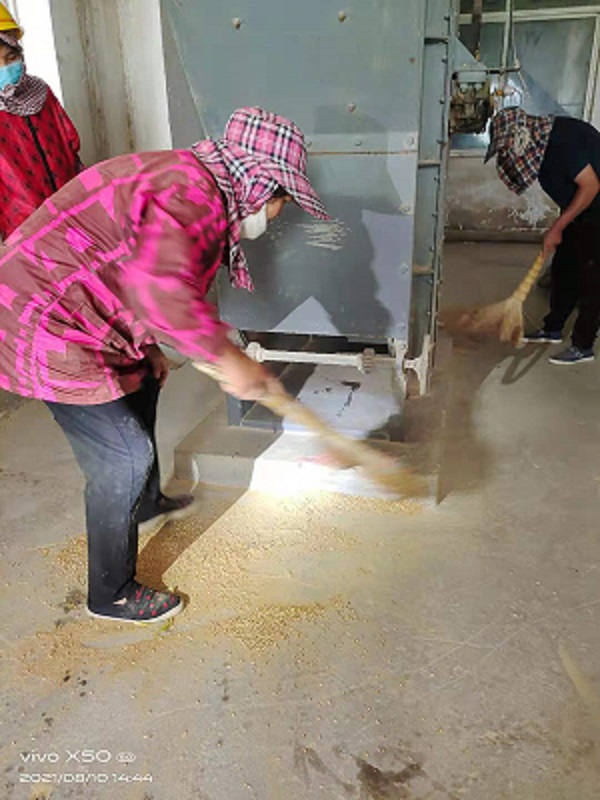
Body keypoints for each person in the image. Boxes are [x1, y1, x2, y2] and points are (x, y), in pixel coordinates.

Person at [0, 106, 330, 623]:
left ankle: (145, 502)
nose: (278, 215)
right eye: (282, 203)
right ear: (259, 187)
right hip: (41, 320)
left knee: (145, 378)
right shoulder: (192, 199)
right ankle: (110, 593)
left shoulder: (194, 180)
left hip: (82, 305)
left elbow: (144, 275)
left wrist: (151, 344)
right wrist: (229, 359)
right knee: (123, 457)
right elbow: (162, 293)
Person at [485, 106, 600, 364]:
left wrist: (558, 226)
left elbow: (591, 186)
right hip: (583, 208)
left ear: (519, 135)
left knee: (591, 276)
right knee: (564, 267)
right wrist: (563, 225)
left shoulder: (561, 142)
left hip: (596, 206)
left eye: (505, 147)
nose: (506, 154)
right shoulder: (539, 148)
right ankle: (553, 328)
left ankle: (583, 346)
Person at [0, 2, 81, 239]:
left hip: (71, 206)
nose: (5, 67)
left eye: (11, 57)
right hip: (23, 228)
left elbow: (70, 142)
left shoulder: (40, 92)